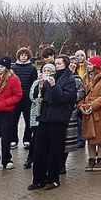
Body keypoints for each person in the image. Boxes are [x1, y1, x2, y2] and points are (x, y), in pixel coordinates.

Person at [29, 55, 76, 191]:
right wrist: (41, 85)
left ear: (66, 64)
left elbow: (63, 98)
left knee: (55, 150)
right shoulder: (52, 77)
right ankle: (38, 179)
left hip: (58, 119)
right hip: (45, 118)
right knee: (40, 150)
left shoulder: (69, 80)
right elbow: (40, 97)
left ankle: (53, 179)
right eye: (56, 63)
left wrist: (54, 86)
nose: (58, 65)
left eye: (60, 63)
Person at [0, 56, 22, 171]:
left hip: (6, 111)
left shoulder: (13, 79)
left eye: (2, 67)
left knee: (6, 136)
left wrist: (5, 103)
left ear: (7, 68)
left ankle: (7, 160)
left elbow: (18, 95)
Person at [80, 56, 101, 172]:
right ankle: (91, 159)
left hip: (100, 113)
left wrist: (93, 105)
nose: (88, 67)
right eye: (87, 65)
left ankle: (100, 159)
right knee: (89, 137)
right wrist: (81, 106)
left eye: (90, 65)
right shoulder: (85, 78)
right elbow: (82, 93)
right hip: (87, 112)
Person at [25, 63, 54, 169]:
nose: (46, 73)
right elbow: (32, 96)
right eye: (45, 70)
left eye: (49, 71)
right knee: (35, 138)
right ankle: (30, 158)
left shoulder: (53, 83)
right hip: (36, 113)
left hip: (48, 115)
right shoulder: (36, 83)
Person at [11, 47, 37, 149]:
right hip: (15, 99)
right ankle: (13, 140)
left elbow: (34, 83)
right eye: (21, 55)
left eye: (25, 55)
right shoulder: (13, 68)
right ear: (18, 56)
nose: (23, 57)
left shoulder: (32, 68)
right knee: (14, 120)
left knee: (28, 121)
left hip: (27, 98)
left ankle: (27, 139)